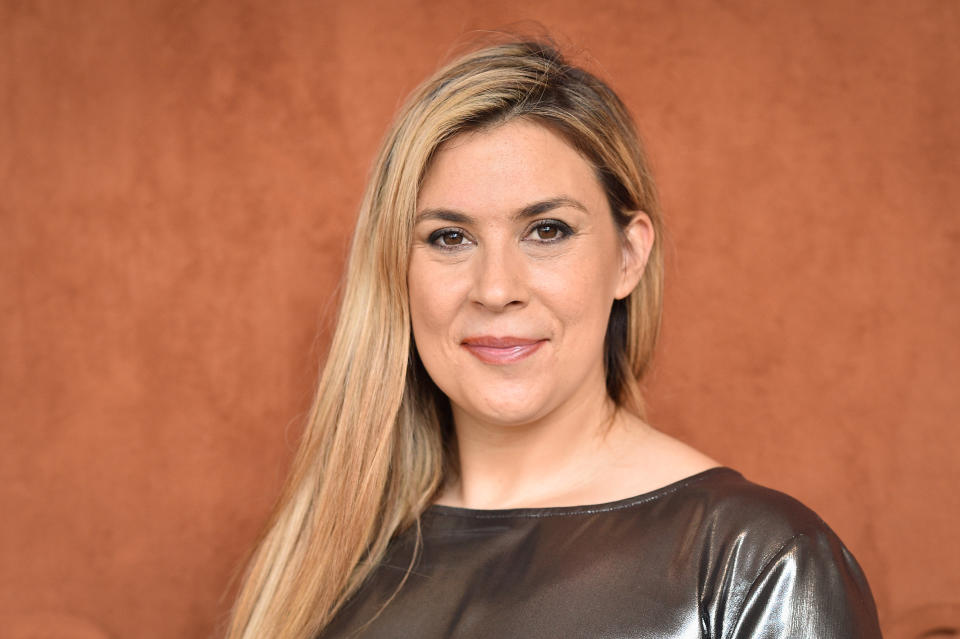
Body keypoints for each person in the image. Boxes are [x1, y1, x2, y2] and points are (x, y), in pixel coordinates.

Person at [225, 39, 882, 639]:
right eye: (449, 237)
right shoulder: (323, 556)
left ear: (628, 255)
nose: (495, 287)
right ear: (398, 269)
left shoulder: (761, 561)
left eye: (547, 231)